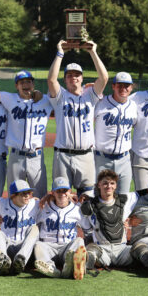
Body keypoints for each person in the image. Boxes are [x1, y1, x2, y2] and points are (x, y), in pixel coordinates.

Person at [47, 39, 109, 198]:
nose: (73, 77)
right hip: (63, 155)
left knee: (87, 201)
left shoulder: (91, 95)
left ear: (82, 78)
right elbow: (51, 80)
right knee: (61, 199)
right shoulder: (60, 97)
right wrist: (60, 52)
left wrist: (92, 52)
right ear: (65, 79)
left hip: (86, 155)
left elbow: (104, 78)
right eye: (69, 75)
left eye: (77, 75)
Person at [0, 70, 52, 199]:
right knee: (14, 196)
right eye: (22, 82)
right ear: (16, 86)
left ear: (33, 84)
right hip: (16, 157)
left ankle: (39, 220)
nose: (25, 84)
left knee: (40, 197)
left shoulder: (46, 100)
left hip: (37, 157)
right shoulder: (9, 98)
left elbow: (62, 93)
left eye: (28, 81)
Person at [80, 169, 139, 274]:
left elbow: (146, 193)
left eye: (112, 183)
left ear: (116, 186)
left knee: (140, 248)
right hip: (102, 249)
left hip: (122, 250)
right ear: (99, 185)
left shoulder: (125, 200)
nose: (109, 186)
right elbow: (86, 229)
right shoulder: (89, 205)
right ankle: (83, 266)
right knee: (92, 250)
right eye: (105, 183)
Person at [33, 177, 88, 280]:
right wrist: (35, 200)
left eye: (65, 190)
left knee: (79, 241)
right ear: (53, 193)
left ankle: (70, 265)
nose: (62, 193)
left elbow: (88, 228)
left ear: (70, 192)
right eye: (58, 191)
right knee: (38, 245)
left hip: (67, 247)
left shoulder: (76, 210)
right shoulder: (43, 207)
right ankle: (51, 269)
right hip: (48, 246)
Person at [93, 72, 138, 194]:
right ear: (113, 86)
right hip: (102, 159)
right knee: (99, 198)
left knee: (123, 199)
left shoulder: (133, 106)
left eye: (126, 85)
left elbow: (135, 124)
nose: (123, 88)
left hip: (124, 160)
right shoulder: (100, 103)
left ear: (131, 87)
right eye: (120, 85)